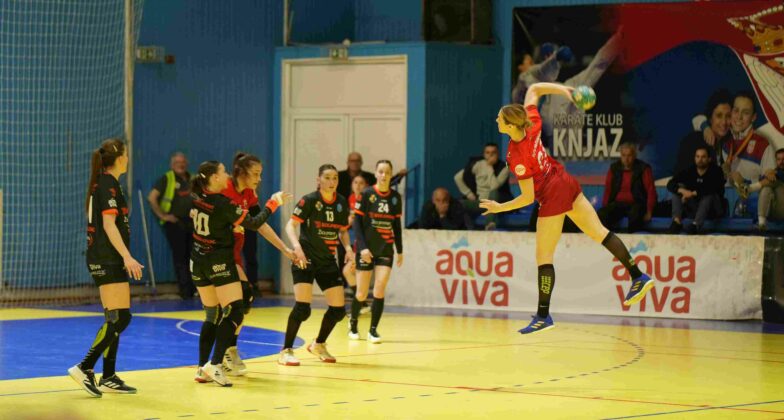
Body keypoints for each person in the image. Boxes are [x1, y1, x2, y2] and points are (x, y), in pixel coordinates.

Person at [481, 82, 653, 335]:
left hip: (552, 195)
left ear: (510, 125)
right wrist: (567, 92)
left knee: (544, 257)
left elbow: (527, 198)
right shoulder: (531, 123)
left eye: (500, 118)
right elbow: (535, 89)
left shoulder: (517, 155)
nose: (496, 120)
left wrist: (499, 207)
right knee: (599, 232)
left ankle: (543, 316)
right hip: (564, 181)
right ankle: (638, 276)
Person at [190, 161, 290, 386]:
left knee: (213, 314)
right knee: (235, 310)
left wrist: (227, 226)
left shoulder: (197, 198)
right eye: (222, 172)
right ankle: (217, 362)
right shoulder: (223, 202)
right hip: (219, 261)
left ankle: (202, 367)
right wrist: (273, 203)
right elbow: (253, 223)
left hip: (197, 261)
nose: (226, 175)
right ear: (215, 178)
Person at [69, 138, 144, 397]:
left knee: (117, 317)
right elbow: (109, 226)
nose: (128, 158)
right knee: (120, 318)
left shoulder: (105, 183)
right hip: (107, 258)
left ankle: (108, 375)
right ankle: (84, 367)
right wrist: (127, 257)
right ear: (120, 158)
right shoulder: (107, 184)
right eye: (126, 154)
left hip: (106, 257)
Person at [219, 152, 296, 376]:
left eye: (260, 174)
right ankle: (218, 356)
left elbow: (260, 225)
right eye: (255, 174)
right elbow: (251, 223)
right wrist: (273, 204)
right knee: (227, 306)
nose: (259, 179)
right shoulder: (224, 189)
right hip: (217, 254)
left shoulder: (249, 194)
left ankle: (229, 349)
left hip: (233, 254)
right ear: (241, 172)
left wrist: (285, 249)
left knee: (245, 298)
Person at [279, 164, 353, 366]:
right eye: (327, 177)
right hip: (306, 258)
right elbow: (290, 225)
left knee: (338, 310)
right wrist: (297, 247)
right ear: (318, 180)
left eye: (335, 178)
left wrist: (348, 248)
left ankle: (319, 344)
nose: (332, 182)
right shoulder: (310, 200)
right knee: (303, 309)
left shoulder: (341, 203)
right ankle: (286, 350)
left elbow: (343, 231)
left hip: (327, 260)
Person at [349, 160, 404, 343]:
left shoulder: (395, 198)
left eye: (387, 172)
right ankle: (353, 324)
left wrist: (400, 250)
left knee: (379, 289)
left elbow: (396, 226)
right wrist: (362, 247)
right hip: (366, 250)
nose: (383, 175)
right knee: (361, 293)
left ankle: (373, 330)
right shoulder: (366, 194)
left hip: (385, 249)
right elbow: (357, 223)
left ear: (391, 175)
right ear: (375, 173)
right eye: (380, 171)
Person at [148, 152, 195, 299]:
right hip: (176, 223)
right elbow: (152, 198)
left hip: (192, 223)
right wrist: (163, 215)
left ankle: (196, 289)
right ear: (172, 165)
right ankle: (186, 292)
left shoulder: (192, 179)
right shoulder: (167, 179)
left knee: (194, 256)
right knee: (181, 257)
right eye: (177, 162)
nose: (181, 165)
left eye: (183, 162)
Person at [722, 92, 776, 199]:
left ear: (753, 117)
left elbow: (772, 181)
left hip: (752, 202)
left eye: (745, 113)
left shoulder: (763, 145)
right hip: (728, 200)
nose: (739, 117)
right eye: (736, 111)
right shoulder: (726, 144)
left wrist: (746, 184)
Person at [598, 143, 657, 233]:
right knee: (602, 214)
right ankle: (610, 239)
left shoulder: (643, 168)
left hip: (637, 203)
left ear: (634, 156)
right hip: (618, 204)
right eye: (623, 155)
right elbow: (608, 190)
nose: (626, 159)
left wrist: (649, 211)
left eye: (629, 155)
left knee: (635, 215)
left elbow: (651, 191)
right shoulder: (614, 168)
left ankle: (631, 240)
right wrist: (606, 207)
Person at [667, 147, 726, 234]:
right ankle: (677, 222)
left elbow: (713, 187)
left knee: (709, 194)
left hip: (713, 210)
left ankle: (696, 225)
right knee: (679, 188)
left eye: (703, 157)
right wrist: (683, 191)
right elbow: (670, 184)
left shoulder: (716, 171)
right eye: (697, 156)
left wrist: (692, 193)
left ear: (709, 159)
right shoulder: (690, 170)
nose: (700, 160)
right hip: (695, 208)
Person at [454, 143, 511, 230]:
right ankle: (468, 230)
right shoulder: (478, 164)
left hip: (497, 202)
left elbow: (494, 186)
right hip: (479, 202)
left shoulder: (504, 168)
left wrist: (489, 167)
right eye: (487, 153)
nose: (490, 155)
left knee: (494, 193)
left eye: (493, 153)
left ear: (498, 154)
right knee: (458, 204)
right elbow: (458, 177)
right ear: (484, 154)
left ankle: (489, 225)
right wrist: (468, 193)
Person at [677, 89, 733, 175]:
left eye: (728, 116)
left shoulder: (726, 142)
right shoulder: (693, 142)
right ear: (710, 118)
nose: (724, 122)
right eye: (719, 116)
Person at [343, 175, 370, 314]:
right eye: (355, 182)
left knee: (349, 271)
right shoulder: (351, 199)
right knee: (348, 271)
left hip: (366, 243)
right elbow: (347, 224)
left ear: (366, 186)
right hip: (355, 242)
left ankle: (362, 303)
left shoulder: (369, 198)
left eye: (361, 183)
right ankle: (363, 303)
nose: (358, 185)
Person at [757, 148, 784, 231]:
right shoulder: (773, 172)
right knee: (766, 188)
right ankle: (761, 223)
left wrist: (772, 172)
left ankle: (750, 189)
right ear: (776, 161)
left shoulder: (774, 172)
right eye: (779, 159)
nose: (781, 162)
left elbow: (781, 175)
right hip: (773, 211)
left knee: (777, 182)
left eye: (783, 159)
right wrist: (767, 174)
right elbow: (761, 179)